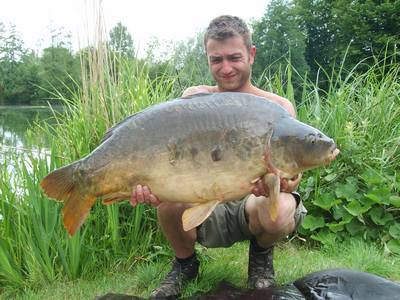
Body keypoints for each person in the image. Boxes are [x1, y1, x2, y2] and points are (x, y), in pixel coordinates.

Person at [130, 15, 307, 299]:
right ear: (208, 59)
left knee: (283, 207)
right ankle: (185, 264)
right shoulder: (194, 100)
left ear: (251, 54)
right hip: (207, 201)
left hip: (253, 203)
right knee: (167, 201)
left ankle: (261, 258)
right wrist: (152, 185)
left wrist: (287, 183)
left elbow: (290, 173)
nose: (225, 68)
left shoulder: (277, 106)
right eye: (216, 59)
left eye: (234, 57)